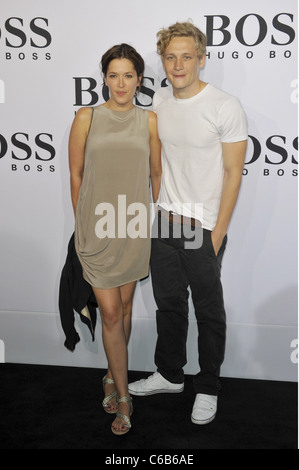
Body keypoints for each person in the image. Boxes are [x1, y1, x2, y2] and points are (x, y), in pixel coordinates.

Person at [129, 21, 248, 425]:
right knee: (169, 306)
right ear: (163, 60)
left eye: (186, 56)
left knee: (209, 311)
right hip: (165, 224)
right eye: (170, 57)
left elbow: (234, 173)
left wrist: (216, 234)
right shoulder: (159, 101)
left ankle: (209, 386)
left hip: (203, 227)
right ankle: (170, 373)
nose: (178, 64)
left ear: (201, 58)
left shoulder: (224, 105)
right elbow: (158, 162)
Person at [68, 43, 161, 435]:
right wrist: (83, 223)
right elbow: (76, 175)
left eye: (129, 75)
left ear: (139, 79)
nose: (120, 84)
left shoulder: (150, 121)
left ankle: (111, 371)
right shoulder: (86, 117)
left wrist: (152, 217)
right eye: (113, 75)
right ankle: (124, 398)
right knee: (109, 313)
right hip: (97, 229)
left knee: (124, 309)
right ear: (103, 77)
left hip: (134, 226)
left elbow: (157, 175)